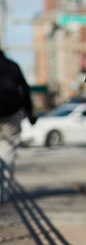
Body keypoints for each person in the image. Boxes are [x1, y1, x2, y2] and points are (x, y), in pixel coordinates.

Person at [0, 49, 36, 203]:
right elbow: (25, 90)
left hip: (10, 114)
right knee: (7, 153)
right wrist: (29, 113)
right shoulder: (12, 66)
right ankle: (2, 194)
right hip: (10, 115)